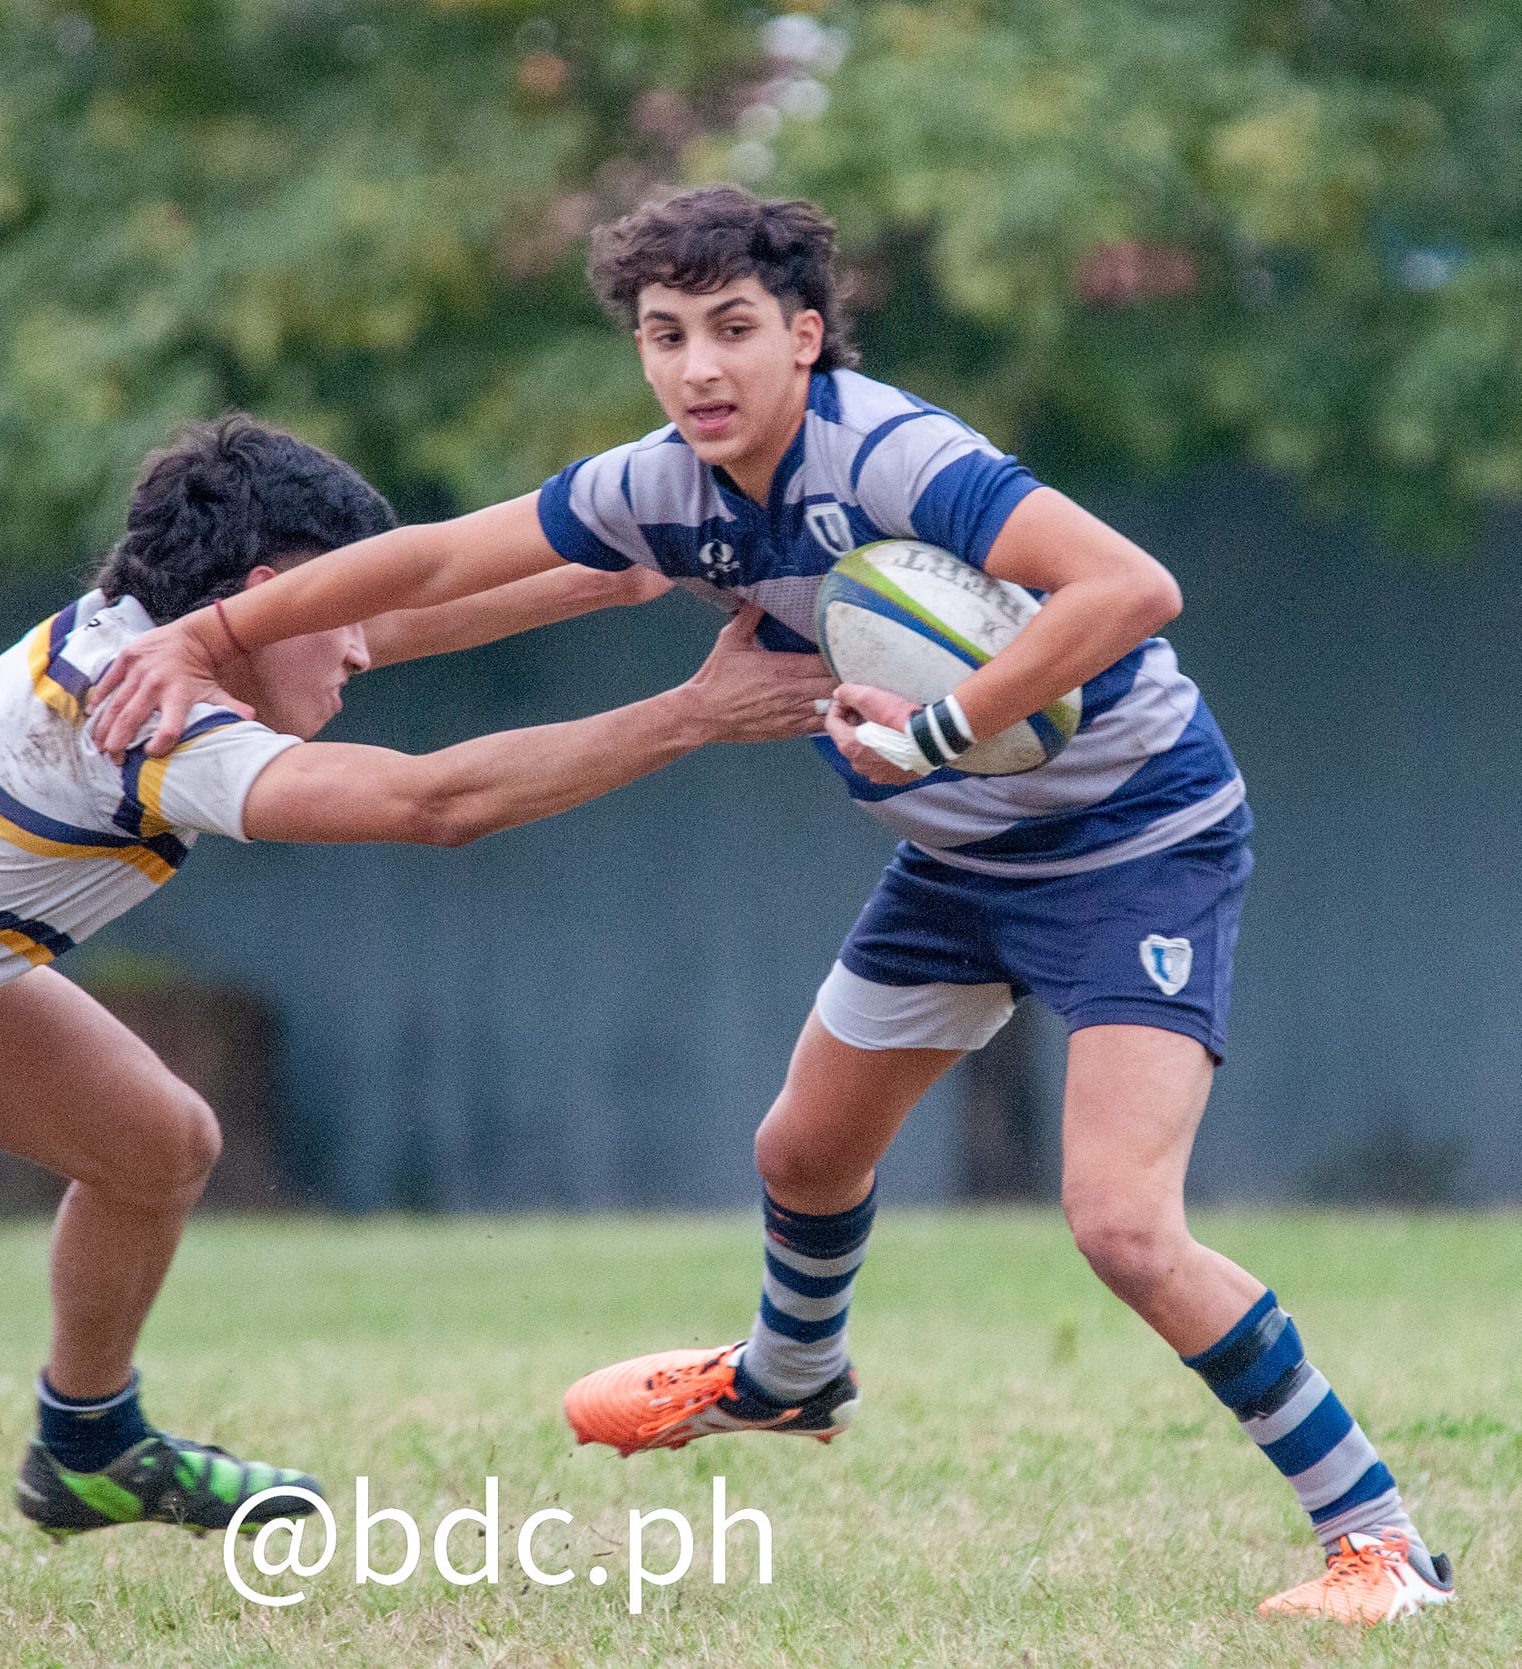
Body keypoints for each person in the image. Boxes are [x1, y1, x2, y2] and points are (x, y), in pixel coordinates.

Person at [81, 191, 1451, 1626]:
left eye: (732, 328)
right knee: (802, 1147)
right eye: (664, 336)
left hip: (1134, 845)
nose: (698, 369)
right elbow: (438, 566)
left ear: (806, 335)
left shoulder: (898, 452)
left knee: (1120, 1223)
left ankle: (1383, 1544)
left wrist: (941, 728)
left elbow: (1131, 586)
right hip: (957, 857)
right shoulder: (664, 487)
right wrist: (214, 633)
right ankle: (792, 1380)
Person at [0, 414, 835, 1544]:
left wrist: (636, 567)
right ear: (252, 596)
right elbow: (435, 804)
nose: (357, 643)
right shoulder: (157, 725)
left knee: (156, 1140)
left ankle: (87, 1447)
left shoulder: (169, 633)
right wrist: (695, 713)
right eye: (331, 606)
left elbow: (407, 613)